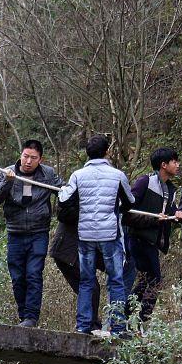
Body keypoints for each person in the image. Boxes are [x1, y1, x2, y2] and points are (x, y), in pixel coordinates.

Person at [58, 134, 134, 337]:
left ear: (87, 153)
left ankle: (83, 326)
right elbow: (129, 201)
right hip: (109, 234)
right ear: (107, 151)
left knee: (86, 280)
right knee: (116, 280)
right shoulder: (118, 175)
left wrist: (63, 191)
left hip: (86, 234)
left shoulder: (77, 175)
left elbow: (65, 199)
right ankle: (117, 328)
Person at [0, 139, 63, 327]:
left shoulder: (48, 174)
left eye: (33, 158)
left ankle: (31, 317)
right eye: (25, 156)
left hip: (39, 232)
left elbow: (64, 191)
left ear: (40, 159)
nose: (28, 161)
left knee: (33, 274)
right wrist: (8, 182)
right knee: (17, 277)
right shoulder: (7, 171)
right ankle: (23, 315)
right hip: (15, 232)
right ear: (20, 155)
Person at [120, 147, 180, 324]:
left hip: (153, 241)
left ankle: (124, 317)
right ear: (163, 165)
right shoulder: (145, 182)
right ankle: (141, 320)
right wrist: (154, 221)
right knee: (155, 279)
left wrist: (181, 215)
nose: (177, 165)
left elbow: (171, 212)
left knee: (146, 280)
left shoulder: (171, 189)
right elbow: (128, 212)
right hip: (138, 239)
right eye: (174, 162)